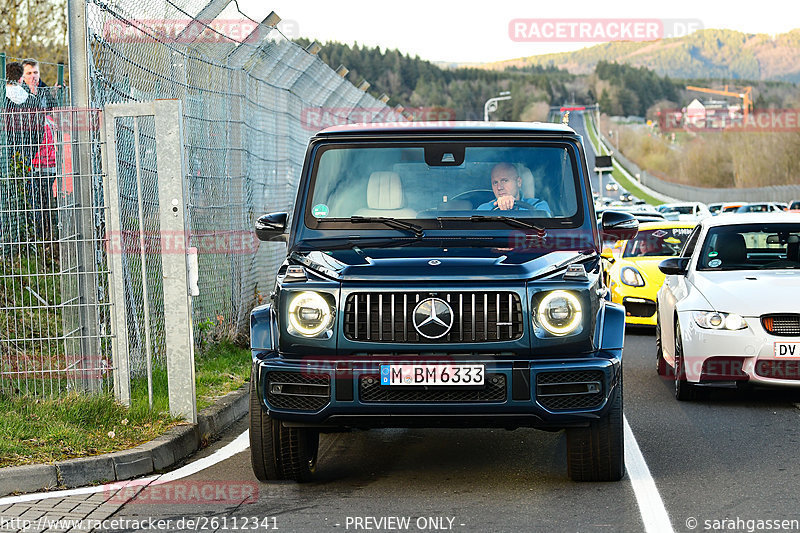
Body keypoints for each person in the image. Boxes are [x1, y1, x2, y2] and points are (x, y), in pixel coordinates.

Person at [476, 162, 552, 215]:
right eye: (495, 183)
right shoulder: (484, 209)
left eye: (505, 181)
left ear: (518, 182)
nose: (499, 187)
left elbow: (543, 232)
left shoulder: (538, 206)